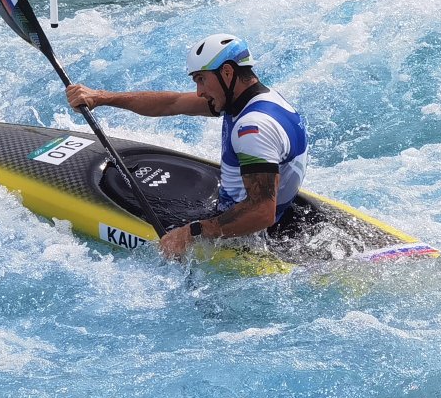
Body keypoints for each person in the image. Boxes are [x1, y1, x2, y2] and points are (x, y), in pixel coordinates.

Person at [64, 35, 306, 261]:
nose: (200, 91)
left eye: (201, 79)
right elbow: (172, 103)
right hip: (272, 219)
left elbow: (261, 212)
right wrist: (103, 97)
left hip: (246, 239)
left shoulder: (252, 127)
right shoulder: (261, 100)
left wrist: (191, 233)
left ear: (228, 72)